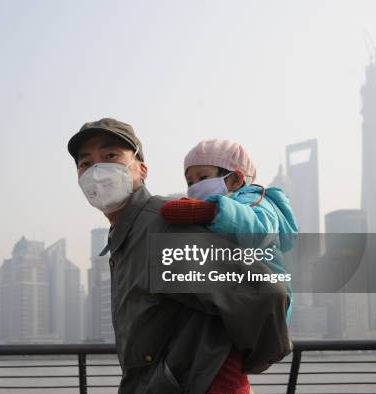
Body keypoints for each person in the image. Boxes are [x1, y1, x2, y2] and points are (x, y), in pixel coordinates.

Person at [68, 118, 292, 394]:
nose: (97, 170)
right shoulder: (127, 235)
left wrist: (243, 365)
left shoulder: (161, 228)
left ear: (141, 169)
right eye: (85, 163)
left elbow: (266, 293)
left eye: (111, 156)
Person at [160, 139, 298, 393]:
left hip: (258, 299)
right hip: (237, 298)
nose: (194, 187)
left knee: (222, 372)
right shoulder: (228, 203)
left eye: (203, 177)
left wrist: (210, 212)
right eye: (190, 181)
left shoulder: (257, 200)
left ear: (235, 180)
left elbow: (259, 230)